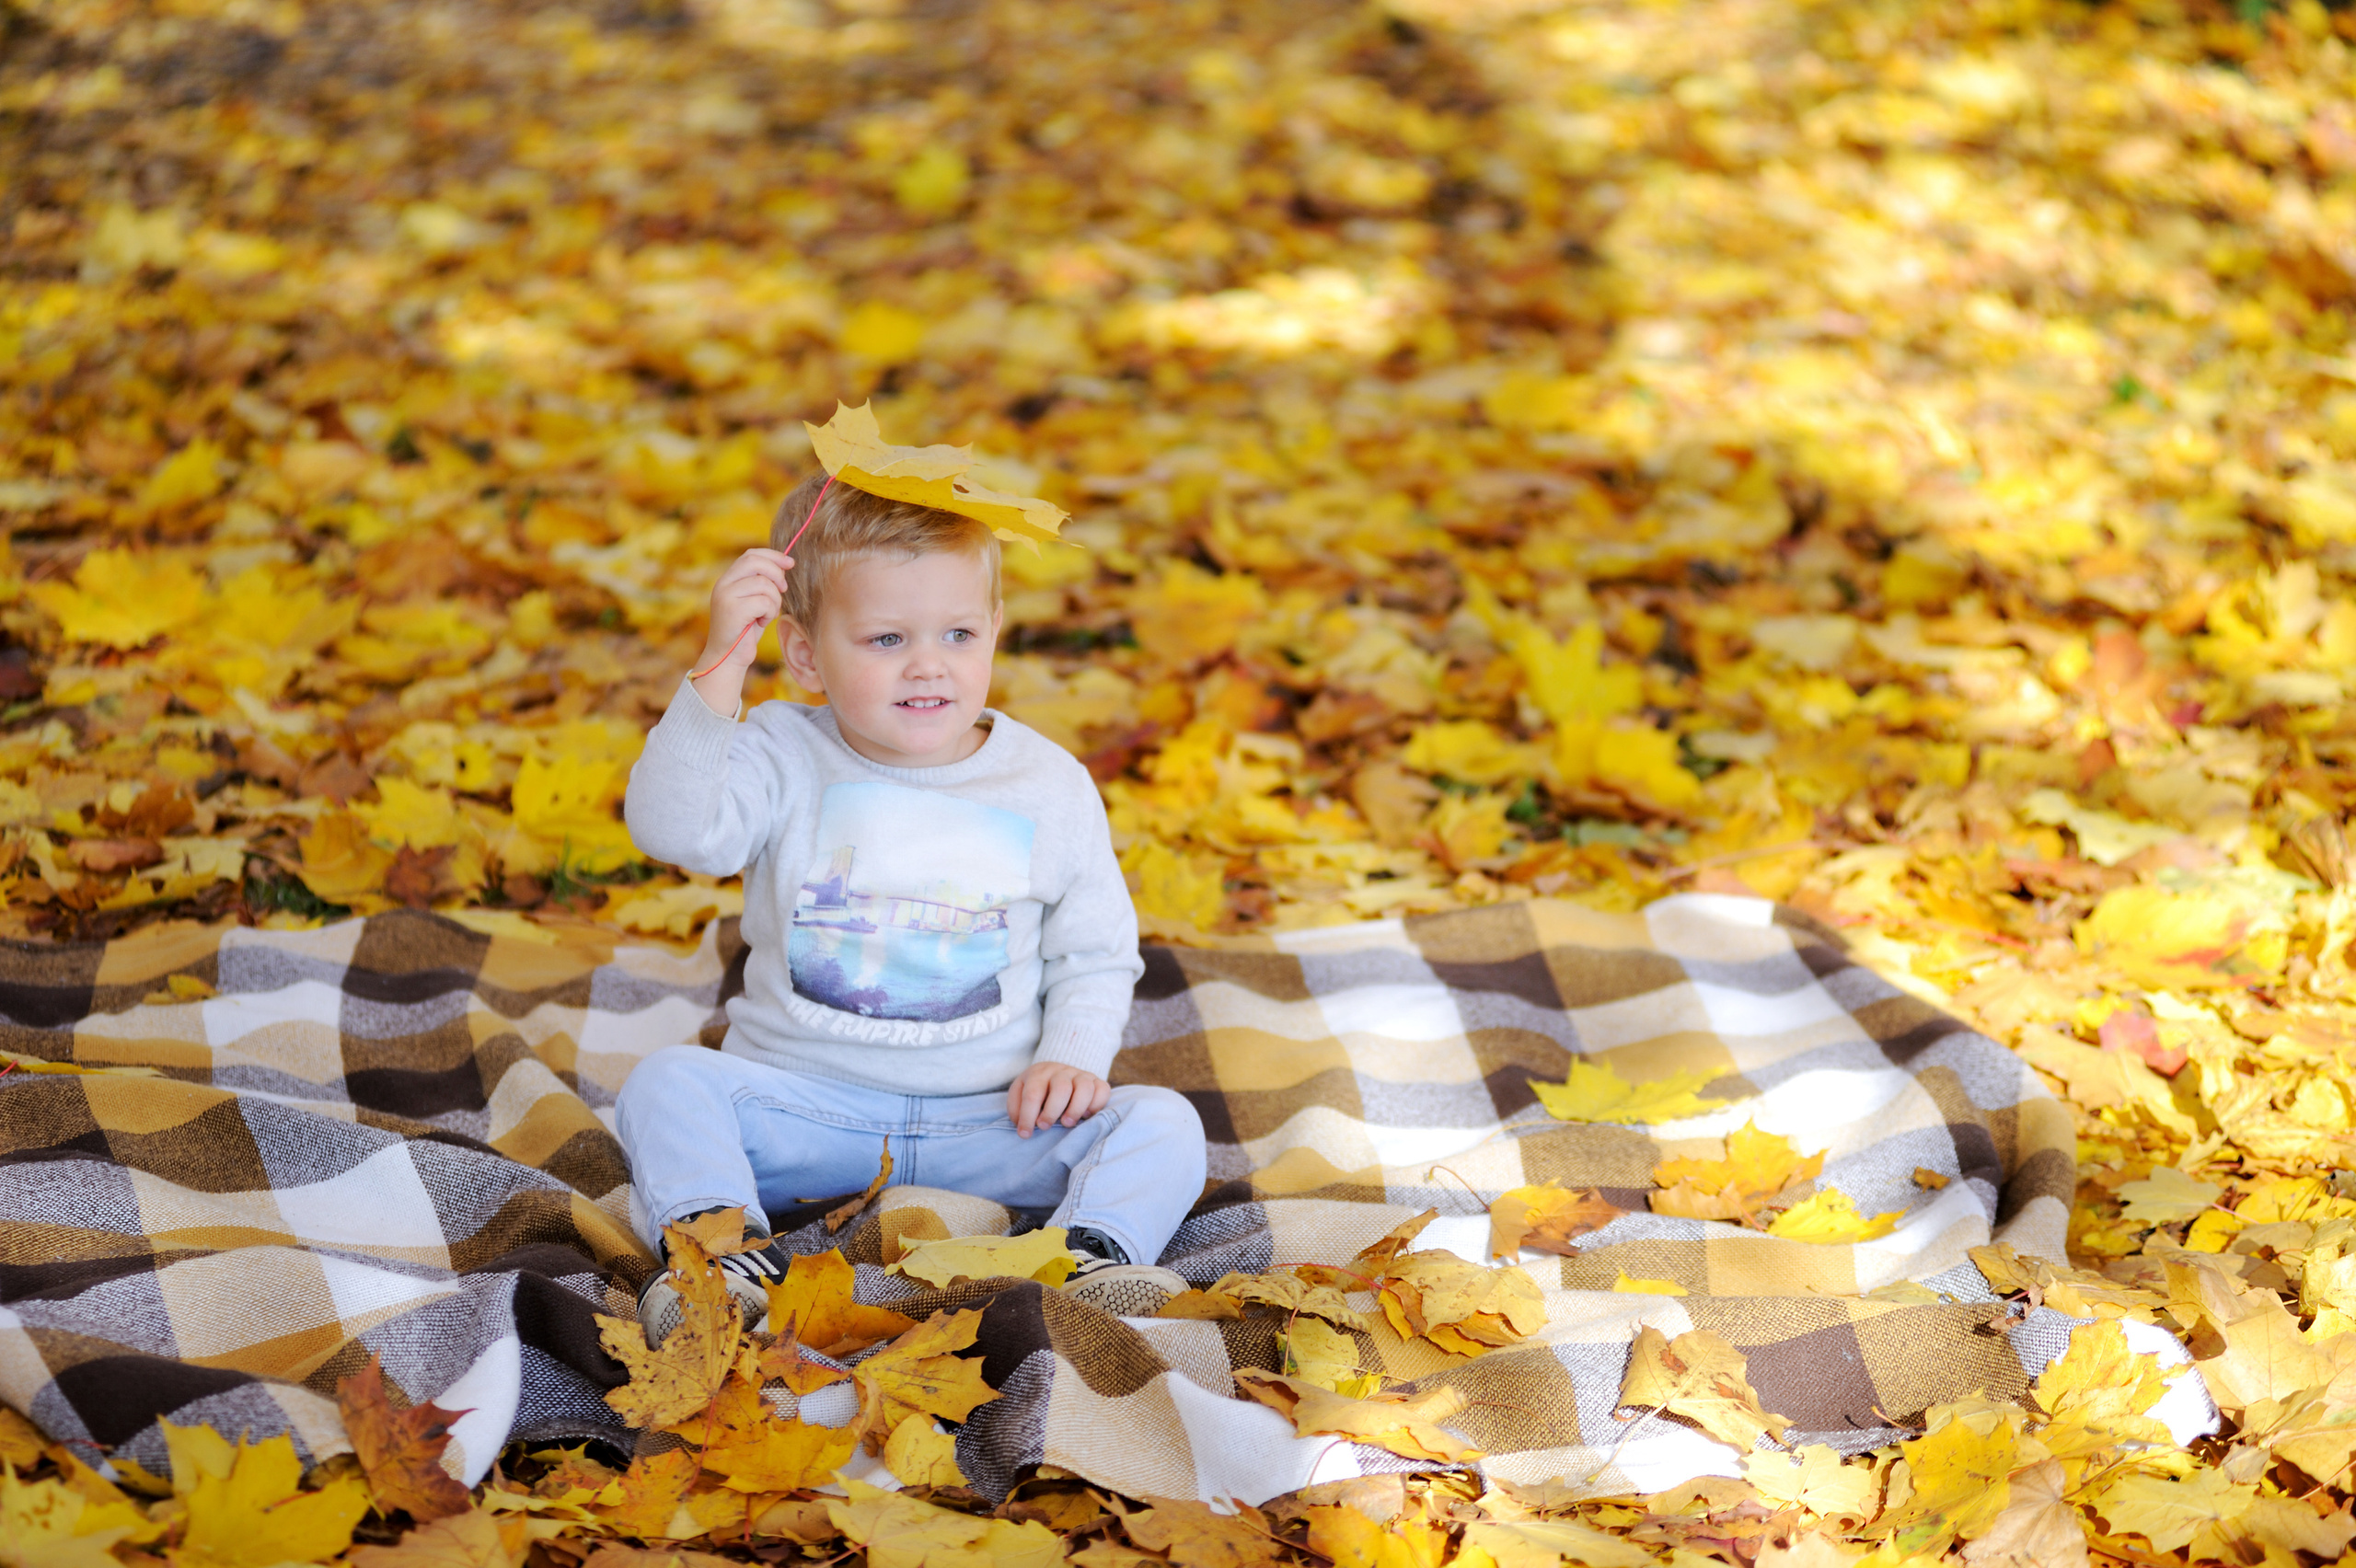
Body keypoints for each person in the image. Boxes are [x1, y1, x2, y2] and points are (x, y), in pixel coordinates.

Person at [616, 464, 1205, 1342]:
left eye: (959, 633)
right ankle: (721, 1261)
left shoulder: (1046, 783)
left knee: (1163, 1122)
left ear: (995, 630)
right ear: (806, 654)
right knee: (666, 1083)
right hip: (804, 1109)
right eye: (886, 638)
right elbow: (675, 832)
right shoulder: (781, 752)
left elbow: (1094, 951)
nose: (929, 663)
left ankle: (1090, 1260)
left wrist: (1070, 1056)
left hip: (994, 1118)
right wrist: (720, 668)